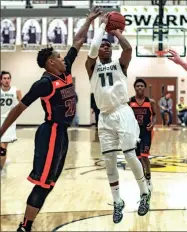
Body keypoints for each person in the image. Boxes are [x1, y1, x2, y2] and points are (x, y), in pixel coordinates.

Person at [0, 7, 102, 232]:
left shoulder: (64, 72)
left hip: (62, 134)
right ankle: (24, 227)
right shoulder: (44, 83)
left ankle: (27, 224)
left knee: (50, 183)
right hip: (51, 133)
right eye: (57, 56)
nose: (61, 57)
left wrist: (89, 20)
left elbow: (77, 40)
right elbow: (19, 108)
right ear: (50, 63)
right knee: (43, 182)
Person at [85, 13, 151, 224]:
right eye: (103, 45)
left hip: (123, 112)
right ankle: (117, 201)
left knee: (131, 155)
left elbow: (128, 48)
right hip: (104, 117)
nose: (106, 47)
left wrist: (115, 32)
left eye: (108, 45)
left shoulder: (120, 64)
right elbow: (93, 50)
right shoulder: (91, 67)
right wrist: (102, 26)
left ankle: (144, 192)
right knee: (109, 161)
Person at [129, 79, 156, 191]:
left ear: (144, 88)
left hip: (146, 132)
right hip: (134, 132)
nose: (140, 87)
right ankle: (142, 179)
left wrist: (153, 123)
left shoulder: (151, 102)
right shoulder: (129, 101)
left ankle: (148, 178)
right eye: (138, 86)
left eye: (141, 86)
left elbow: (154, 115)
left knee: (145, 156)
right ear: (135, 87)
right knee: (138, 158)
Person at [0, 71, 22, 176]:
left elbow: (22, 104)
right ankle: (2, 166)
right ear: (1, 80)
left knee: (3, 147)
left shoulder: (16, 91)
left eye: (8, 78)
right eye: (4, 78)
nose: (6, 80)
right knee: (2, 148)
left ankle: (1, 167)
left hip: (9, 122)